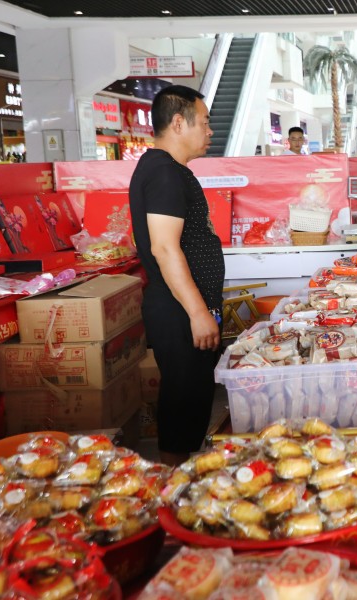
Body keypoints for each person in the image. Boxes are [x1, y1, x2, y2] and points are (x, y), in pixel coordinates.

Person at [129, 85, 225, 466]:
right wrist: (199, 313)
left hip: (187, 306)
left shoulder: (169, 170)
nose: (209, 131)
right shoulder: (165, 173)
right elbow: (165, 248)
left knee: (194, 399)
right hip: (179, 309)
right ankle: (172, 490)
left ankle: (183, 481)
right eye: (204, 123)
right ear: (179, 122)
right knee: (182, 403)